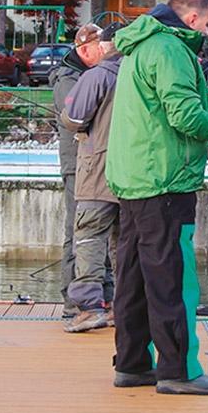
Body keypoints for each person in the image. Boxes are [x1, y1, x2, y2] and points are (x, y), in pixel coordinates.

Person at [105, 0, 208, 395]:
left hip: (135, 177)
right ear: (191, 17)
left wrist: (206, 149)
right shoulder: (170, 50)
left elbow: (158, 119)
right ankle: (178, 371)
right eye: (207, 24)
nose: (207, 32)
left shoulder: (141, 46)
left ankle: (132, 364)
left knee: (133, 278)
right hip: (166, 182)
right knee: (172, 279)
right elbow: (184, 114)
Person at [60, 24, 121, 334]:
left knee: (88, 238)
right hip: (133, 174)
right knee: (124, 244)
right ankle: (123, 307)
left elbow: (73, 118)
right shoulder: (141, 74)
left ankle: (89, 308)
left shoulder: (97, 76)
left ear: (103, 47)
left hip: (96, 171)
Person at [51, 24, 104, 317]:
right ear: (84, 50)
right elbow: (76, 117)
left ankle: (100, 296)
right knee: (76, 229)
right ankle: (72, 301)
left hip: (93, 161)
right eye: (100, 47)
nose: (105, 51)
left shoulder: (90, 75)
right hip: (77, 163)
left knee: (94, 230)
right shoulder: (67, 80)